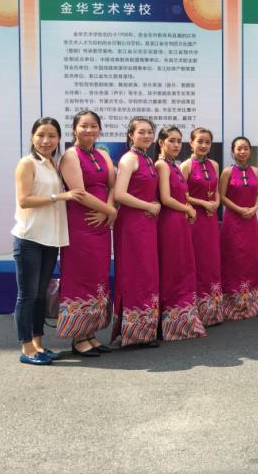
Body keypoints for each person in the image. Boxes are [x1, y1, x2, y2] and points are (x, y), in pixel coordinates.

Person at [12, 117, 83, 365]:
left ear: (59, 139)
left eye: (52, 136)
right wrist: (59, 196)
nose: (46, 140)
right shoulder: (27, 163)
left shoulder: (54, 164)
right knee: (27, 296)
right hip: (29, 238)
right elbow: (24, 200)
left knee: (41, 295)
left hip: (51, 239)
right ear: (32, 137)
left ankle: (38, 345)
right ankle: (26, 349)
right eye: (41, 135)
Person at [57, 110, 117, 356]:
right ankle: (78, 337)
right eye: (84, 126)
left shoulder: (103, 155)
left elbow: (113, 185)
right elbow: (79, 193)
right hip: (80, 224)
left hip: (101, 224)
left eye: (93, 126)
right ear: (74, 129)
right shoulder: (70, 156)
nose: (89, 130)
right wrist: (109, 211)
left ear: (100, 130)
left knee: (97, 276)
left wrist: (108, 210)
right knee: (80, 276)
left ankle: (90, 333)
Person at [112, 117, 161, 348]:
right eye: (141, 132)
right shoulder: (129, 159)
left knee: (146, 273)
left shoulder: (147, 159)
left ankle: (144, 330)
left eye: (150, 131)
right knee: (134, 274)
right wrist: (148, 206)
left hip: (147, 224)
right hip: (132, 224)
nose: (147, 136)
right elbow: (120, 194)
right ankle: (133, 333)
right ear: (131, 135)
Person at [154, 126, 206, 341]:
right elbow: (166, 198)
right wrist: (188, 209)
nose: (176, 145)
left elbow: (183, 195)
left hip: (180, 222)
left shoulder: (174, 165)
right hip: (169, 223)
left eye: (178, 141)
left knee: (183, 268)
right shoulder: (161, 165)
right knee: (172, 270)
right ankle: (168, 322)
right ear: (161, 142)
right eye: (171, 140)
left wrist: (187, 209)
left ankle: (182, 319)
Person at [180, 127, 224, 326]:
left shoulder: (214, 164)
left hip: (211, 219)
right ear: (191, 143)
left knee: (211, 261)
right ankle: (195, 311)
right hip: (194, 219)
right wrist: (203, 203)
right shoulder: (186, 166)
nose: (204, 145)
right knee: (196, 260)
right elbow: (182, 195)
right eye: (200, 141)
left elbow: (217, 190)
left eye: (207, 142)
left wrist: (216, 202)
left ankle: (212, 311)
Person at [220, 136, 258, 319]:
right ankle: (232, 305)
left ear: (250, 151)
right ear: (233, 151)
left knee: (250, 259)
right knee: (233, 260)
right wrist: (239, 209)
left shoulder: (256, 171)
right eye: (239, 148)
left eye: (245, 148)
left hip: (251, 221)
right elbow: (221, 196)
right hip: (232, 221)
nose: (242, 151)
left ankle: (250, 304)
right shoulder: (227, 172)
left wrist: (254, 208)